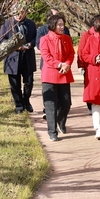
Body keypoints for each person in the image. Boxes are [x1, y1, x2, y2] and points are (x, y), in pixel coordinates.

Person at [39, 13, 75, 141]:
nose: (61, 27)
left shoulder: (66, 38)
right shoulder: (44, 39)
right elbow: (46, 56)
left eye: (62, 24)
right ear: (52, 25)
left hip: (64, 73)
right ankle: (52, 131)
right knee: (50, 105)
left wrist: (67, 64)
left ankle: (60, 121)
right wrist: (59, 64)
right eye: (59, 24)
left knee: (66, 103)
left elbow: (71, 53)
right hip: (50, 74)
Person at [0, 3, 37, 114]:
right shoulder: (7, 24)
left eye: (21, 12)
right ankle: (19, 105)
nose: (19, 15)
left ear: (25, 12)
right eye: (16, 13)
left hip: (27, 57)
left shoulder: (31, 24)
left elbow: (35, 38)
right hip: (13, 58)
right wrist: (13, 46)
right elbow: (1, 40)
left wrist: (30, 45)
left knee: (29, 82)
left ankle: (26, 101)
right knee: (15, 84)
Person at [77, 14, 100, 116]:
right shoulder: (86, 35)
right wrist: (81, 65)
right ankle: (90, 106)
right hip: (89, 66)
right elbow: (81, 51)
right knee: (89, 86)